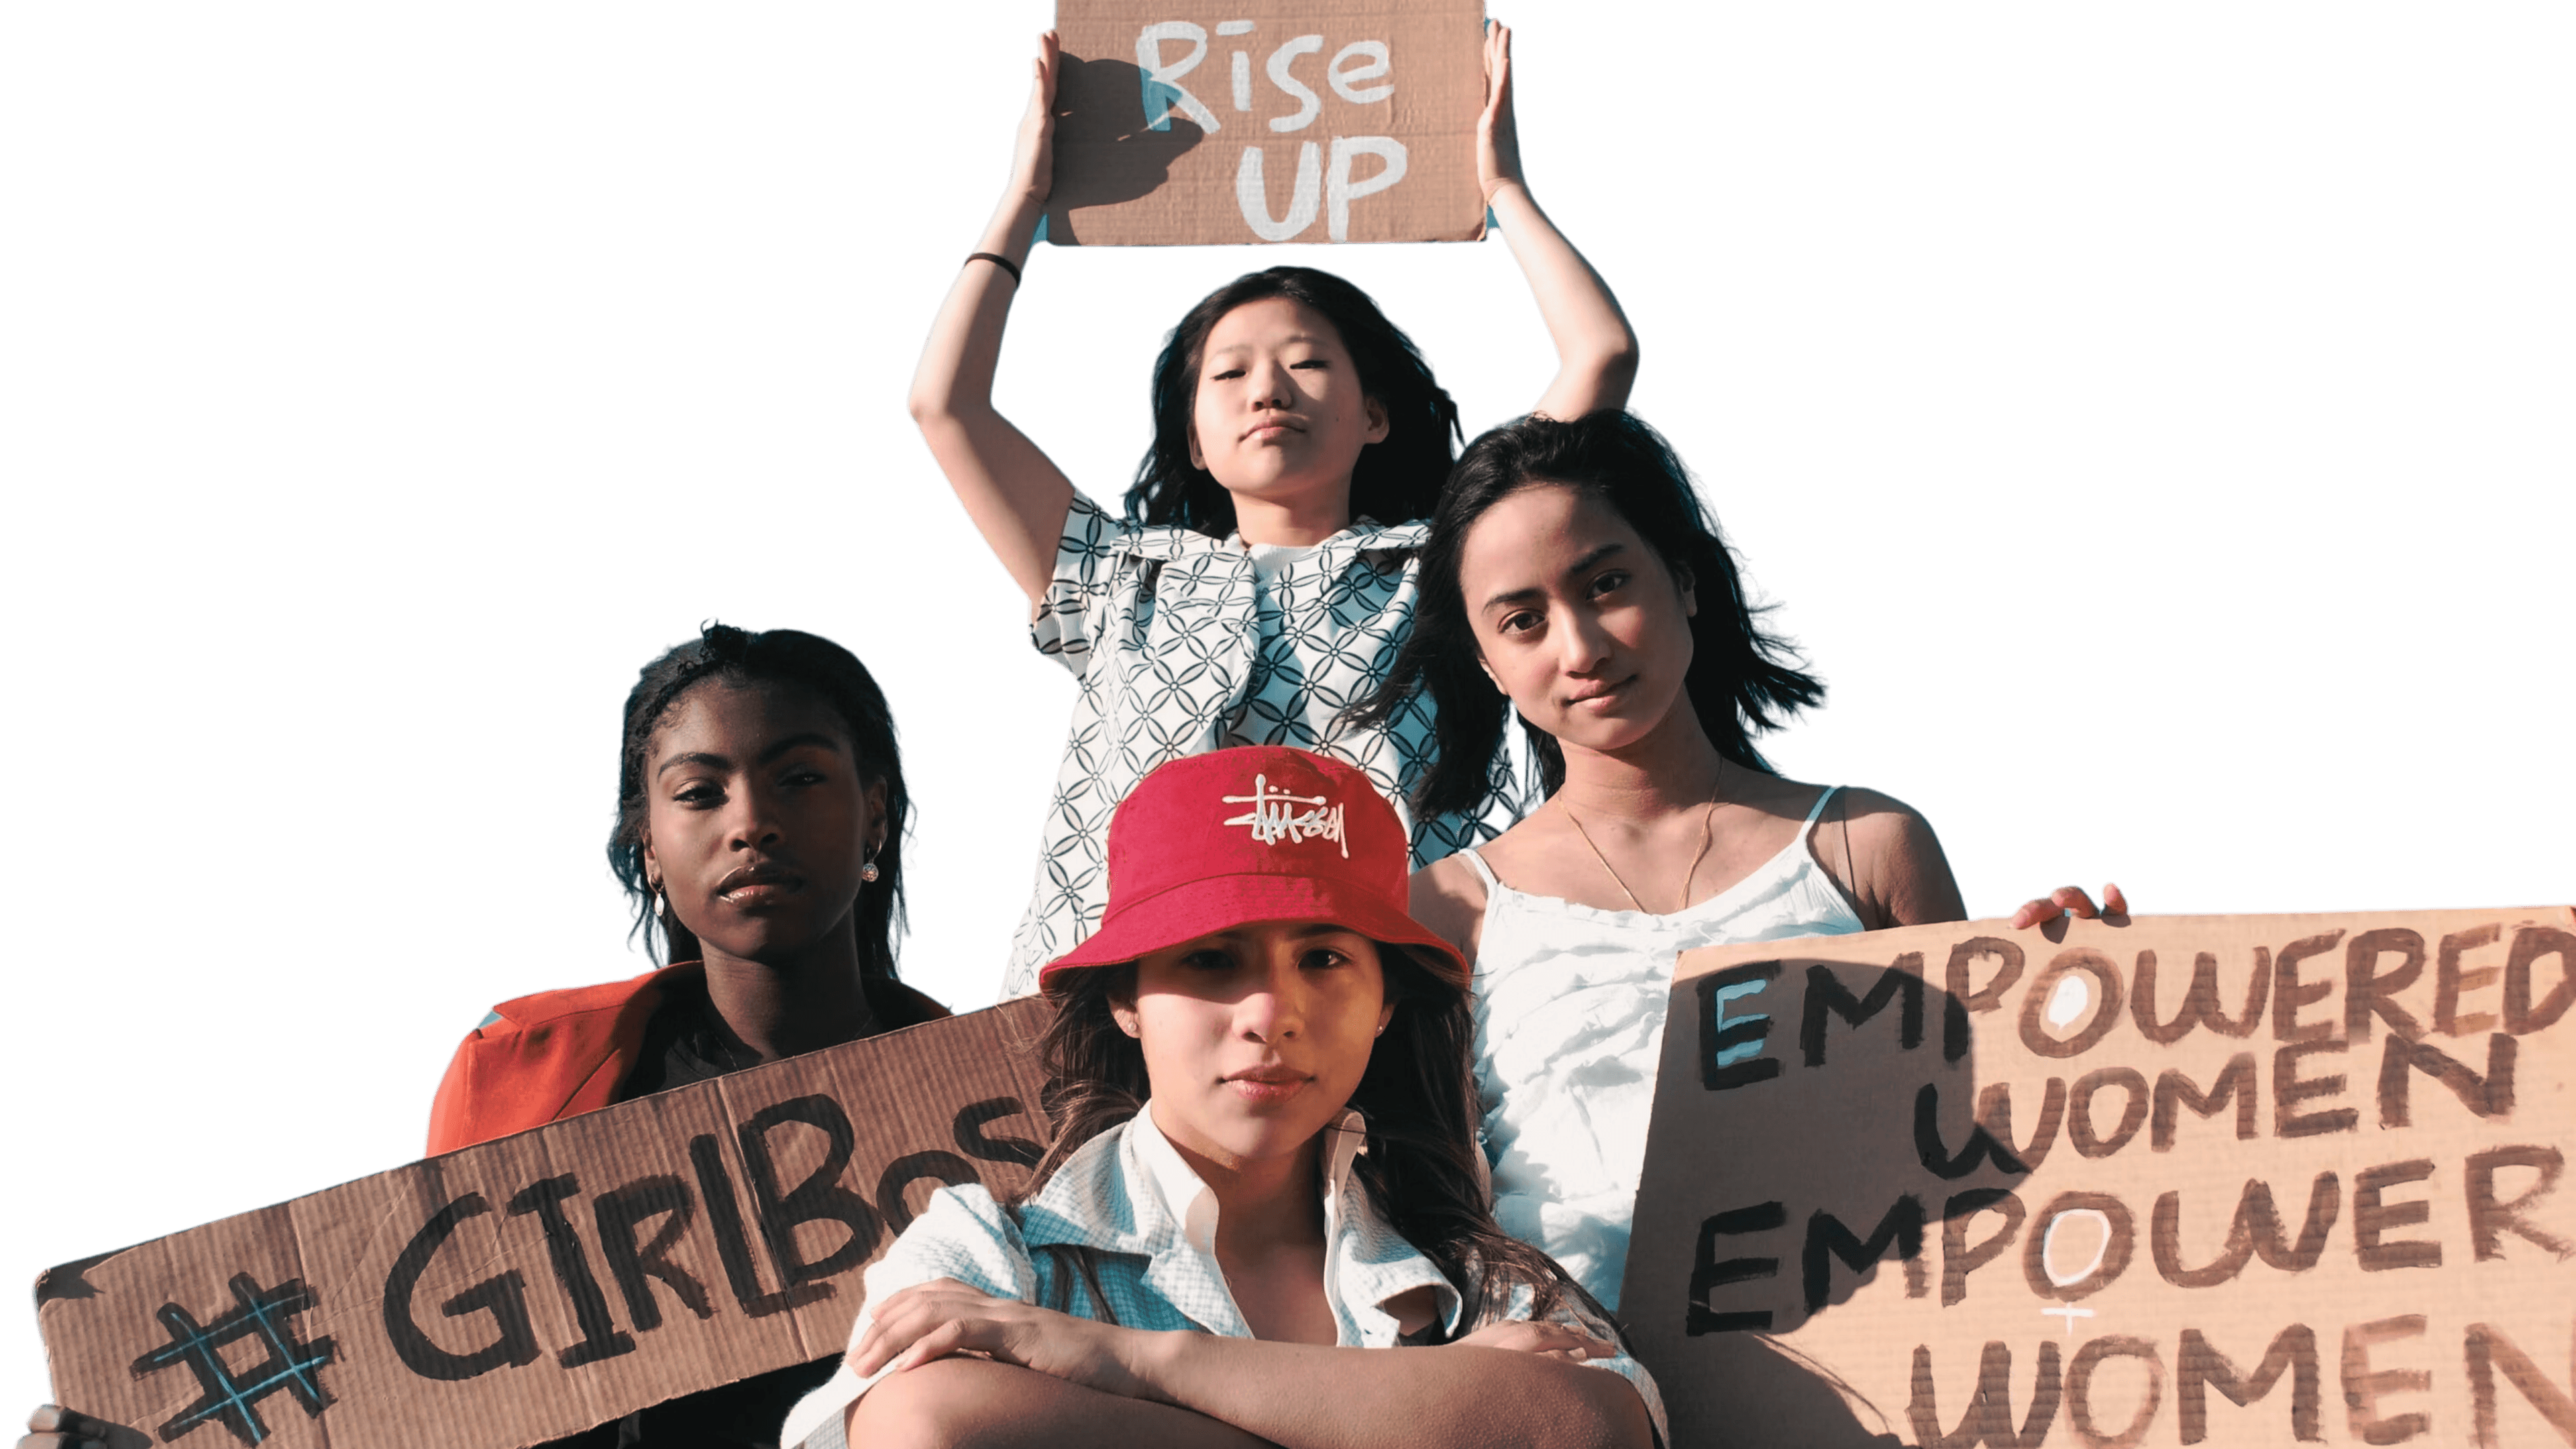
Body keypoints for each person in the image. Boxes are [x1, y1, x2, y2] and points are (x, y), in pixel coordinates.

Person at [17, 621, 953, 1449]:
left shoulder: (1008, 1103)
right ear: (649, 848)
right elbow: (414, 1401)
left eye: (798, 779)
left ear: (875, 809)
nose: (753, 823)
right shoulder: (530, 1074)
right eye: (700, 793)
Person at [911, 21, 1642, 1000]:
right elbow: (944, 405)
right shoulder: (1116, 578)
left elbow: (1601, 356)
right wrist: (1021, 203)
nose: (1271, 390)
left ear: (1375, 414)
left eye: (1307, 363)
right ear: (1198, 443)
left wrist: (1503, 190)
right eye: (1231, 374)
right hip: (1133, 1001)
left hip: (1398, 997)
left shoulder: (1449, 565)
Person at [1358, 410, 2123, 1310]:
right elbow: (1418, 1204)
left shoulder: (1866, 846)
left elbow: (1973, 1134)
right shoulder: (1446, 907)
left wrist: (2087, 1003)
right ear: (1488, 664)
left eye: (1606, 584)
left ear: (1684, 581)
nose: (1581, 647)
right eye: (1524, 621)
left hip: (1865, 1358)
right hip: (1584, 1388)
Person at [777, 747, 1664, 1449]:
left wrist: (1127, 1360)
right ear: (1124, 997)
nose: (1270, 1015)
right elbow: (922, 1429)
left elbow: (1594, 1429)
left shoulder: (1477, 1283)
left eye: (1324, 960)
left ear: (1387, 1001)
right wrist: (1424, 1418)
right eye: (1210, 960)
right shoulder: (990, 1257)